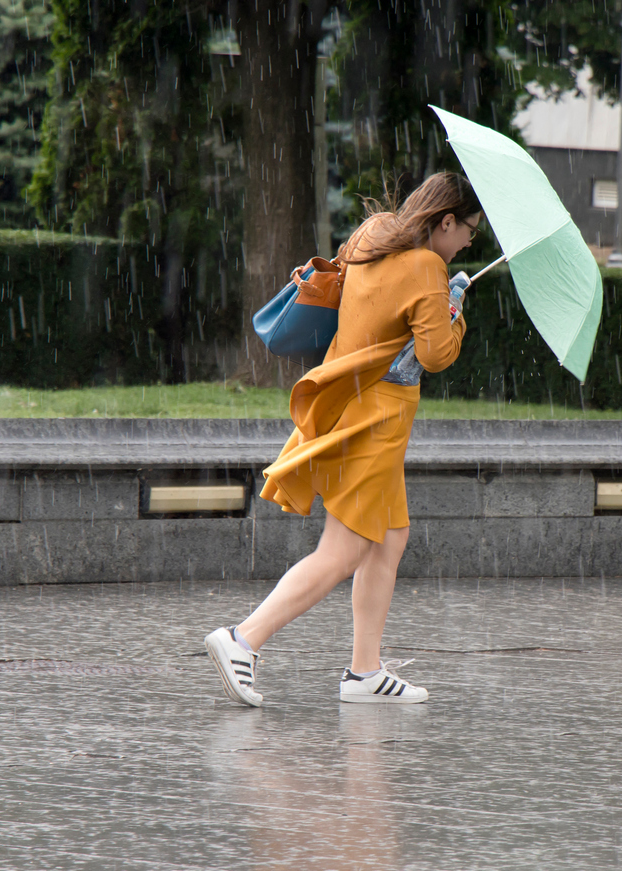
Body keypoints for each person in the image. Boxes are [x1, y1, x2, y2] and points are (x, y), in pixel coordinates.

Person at [205, 172, 482, 707]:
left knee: (389, 539)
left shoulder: (373, 232)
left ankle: (365, 673)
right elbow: (435, 356)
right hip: (378, 421)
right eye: (468, 229)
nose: (469, 240)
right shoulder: (428, 267)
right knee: (343, 550)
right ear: (446, 221)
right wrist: (454, 310)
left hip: (349, 400)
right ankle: (243, 639)